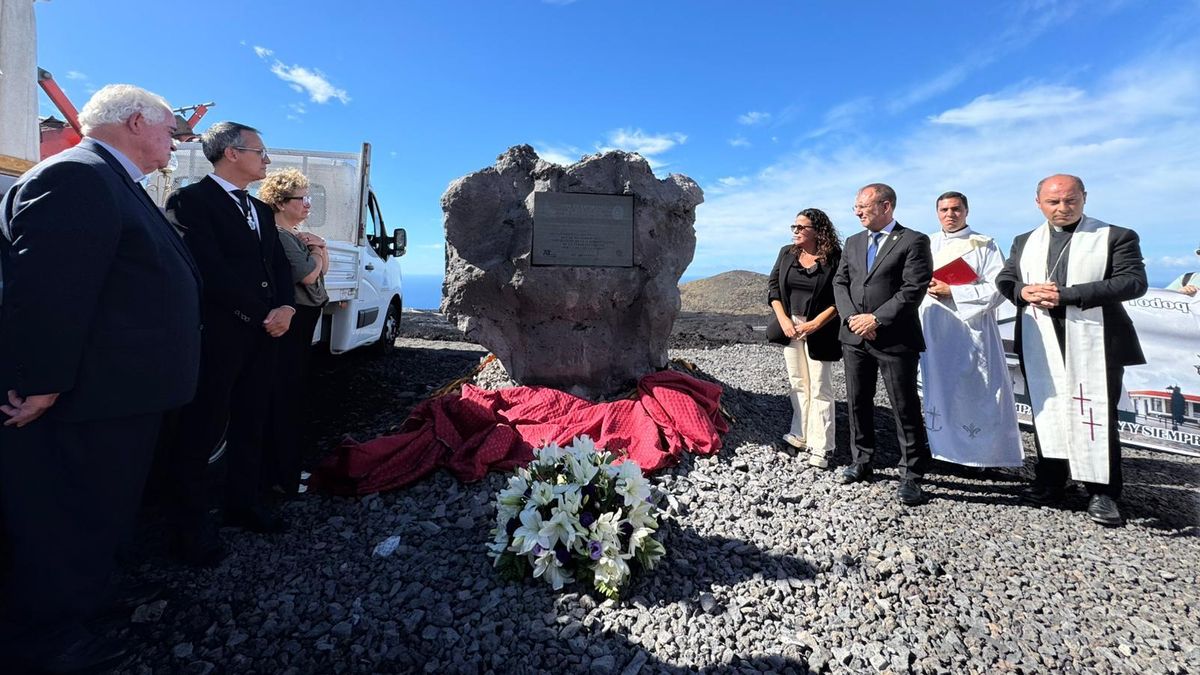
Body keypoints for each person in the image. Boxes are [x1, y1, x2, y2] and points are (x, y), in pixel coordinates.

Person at [0, 84, 201, 672]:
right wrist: (42, 382)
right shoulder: (77, 176)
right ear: (136, 122)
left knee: (100, 511)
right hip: (82, 398)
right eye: (169, 129)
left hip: (115, 395)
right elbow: (47, 291)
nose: (175, 141)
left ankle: (86, 600)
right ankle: (44, 641)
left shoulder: (113, 181)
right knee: (63, 518)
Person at [165, 121, 295, 566]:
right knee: (201, 430)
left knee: (252, 420)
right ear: (232, 153)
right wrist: (261, 314)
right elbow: (208, 269)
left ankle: (243, 504)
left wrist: (286, 307)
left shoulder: (259, 209)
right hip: (219, 336)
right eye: (261, 151)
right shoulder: (189, 201)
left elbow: (277, 265)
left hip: (264, 335)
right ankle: (189, 528)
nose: (267, 159)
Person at [995, 174, 1147, 527]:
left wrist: (1070, 295)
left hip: (1097, 339)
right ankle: (1051, 481)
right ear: (1038, 203)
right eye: (1053, 202)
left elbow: (1133, 282)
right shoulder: (1025, 241)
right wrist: (1022, 292)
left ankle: (1102, 492)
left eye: (1070, 200)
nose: (1062, 208)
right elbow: (1006, 279)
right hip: (1040, 337)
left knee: (1096, 413)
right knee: (1048, 410)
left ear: (1084, 198)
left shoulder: (1114, 236)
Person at [832, 183, 934, 505]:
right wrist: (853, 319)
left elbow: (913, 288)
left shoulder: (913, 241)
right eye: (856, 207)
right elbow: (840, 282)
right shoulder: (853, 242)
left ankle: (912, 475)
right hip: (854, 338)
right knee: (857, 401)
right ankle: (861, 461)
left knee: (904, 407)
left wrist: (875, 319)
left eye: (863, 206)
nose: (858, 212)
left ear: (886, 206)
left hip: (895, 339)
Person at [917, 191, 1023, 469]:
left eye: (956, 209)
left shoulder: (984, 244)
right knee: (938, 388)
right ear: (937, 213)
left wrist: (953, 291)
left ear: (966, 211)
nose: (950, 215)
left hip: (971, 329)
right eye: (944, 210)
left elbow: (998, 288)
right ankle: (941, 448)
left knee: (976, 389)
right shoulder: (926, 243)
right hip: (935, 328)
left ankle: (981, 456)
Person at [258, 168, 329, 494]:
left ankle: (286, 471)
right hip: (292, 324)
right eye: (302, 199)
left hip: (302, 325)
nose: (308, 204)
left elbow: (321, 269)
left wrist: (320, 247)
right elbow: (309, 276)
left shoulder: (294, 234)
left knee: (293, 395)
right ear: (280, 202)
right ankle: (280, 476)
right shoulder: (280, 237)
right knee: (284, 397)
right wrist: (316, 250)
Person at [767, 208, 842, 469]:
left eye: (801, 227)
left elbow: (840, 297)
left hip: (820, 328)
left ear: (818, 231)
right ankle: (800, 434)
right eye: (794, 227)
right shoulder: (787, 253)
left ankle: (822, 446)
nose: (796, 231)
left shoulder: (835, 258)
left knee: (820, 386)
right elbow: (774, 288)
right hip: (791, 326)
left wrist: (815, 324)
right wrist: (784, 320)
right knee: (798, 382)